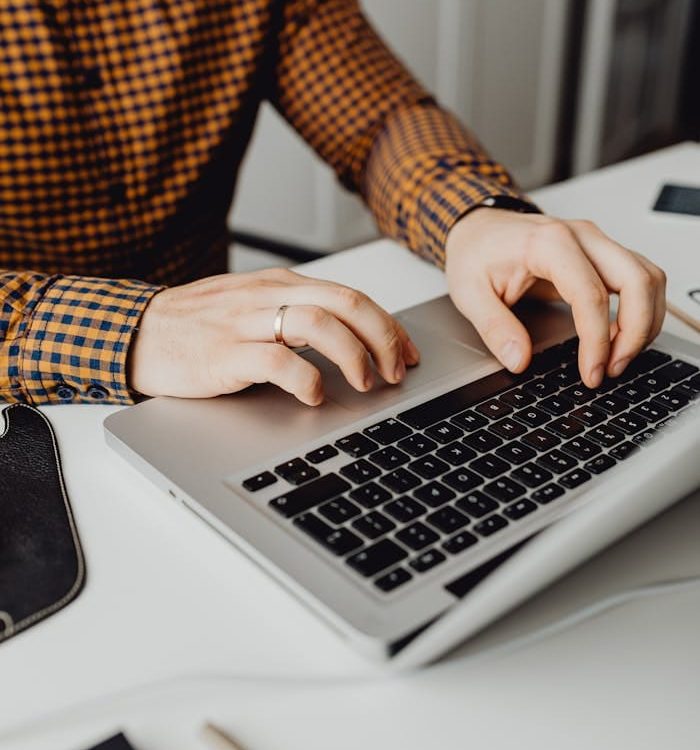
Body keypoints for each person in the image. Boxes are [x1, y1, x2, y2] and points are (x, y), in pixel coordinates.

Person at [0, 0, 665, 407]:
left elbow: (376, 119)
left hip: (245, 374)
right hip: (30, 394)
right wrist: (137, 329)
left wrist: (475, 215)